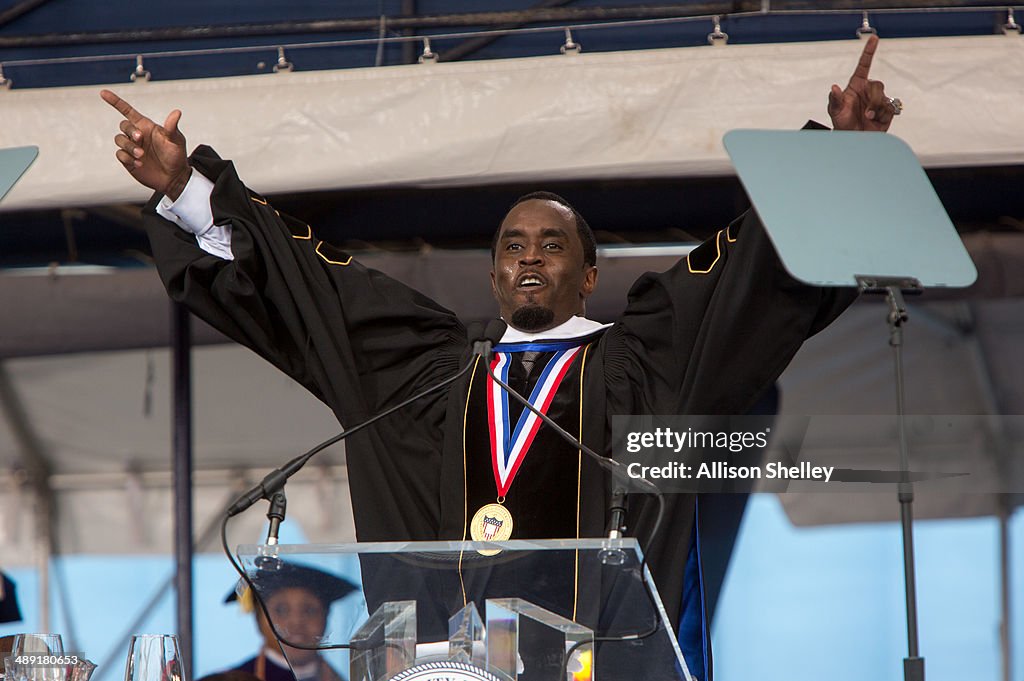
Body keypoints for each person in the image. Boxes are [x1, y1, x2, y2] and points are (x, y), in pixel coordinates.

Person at [101, 36, 898, 680]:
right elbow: (312, 292)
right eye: (513, 245)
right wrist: (186, 188)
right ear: (490, 275)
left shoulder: (644, 363)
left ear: (589, 276)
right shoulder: (435, 374)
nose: (529, 258)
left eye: (553, 246)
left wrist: (844, 161)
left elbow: (746, 282)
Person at [224, 564, 358, 681]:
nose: (296, 622)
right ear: (258, 619)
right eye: (281, 610)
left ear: (326, 616)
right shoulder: (233, 679)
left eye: (309, 610)